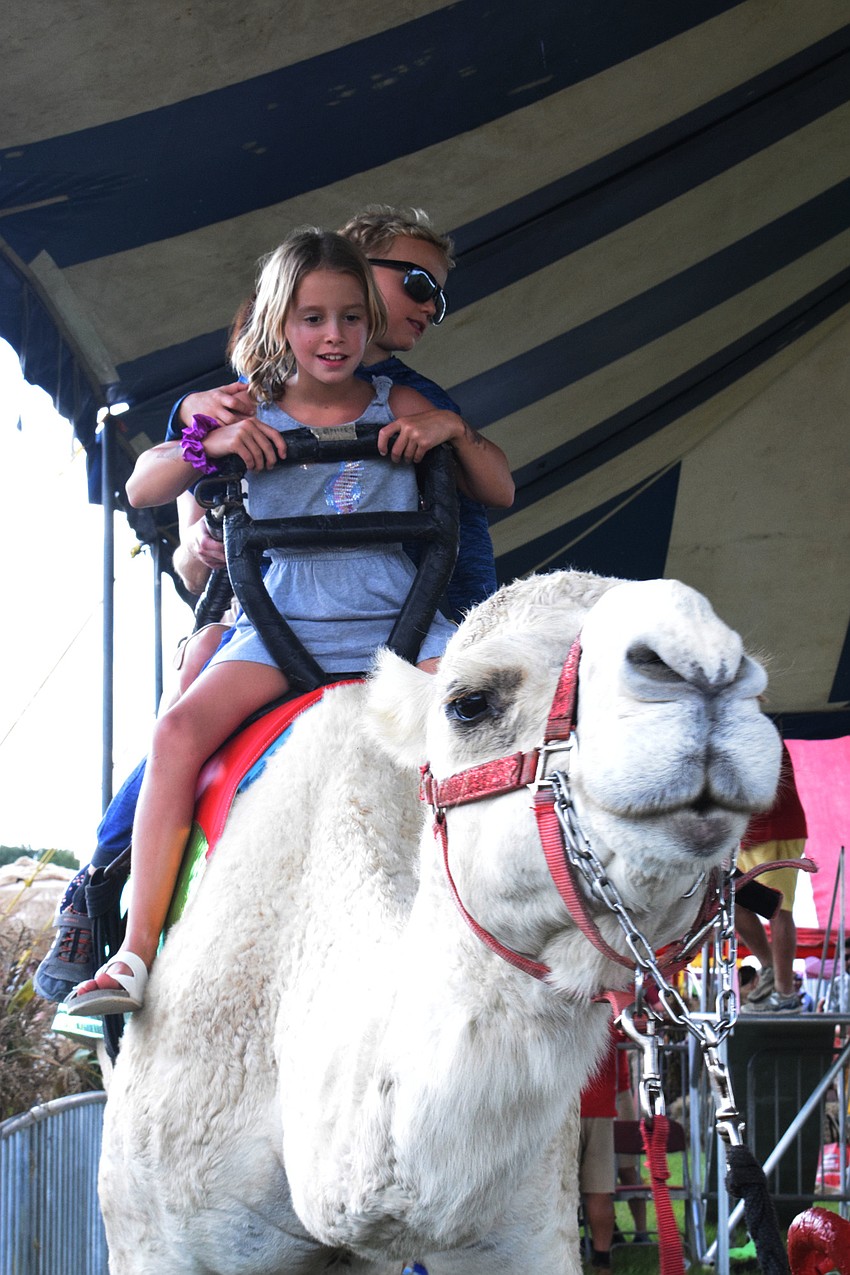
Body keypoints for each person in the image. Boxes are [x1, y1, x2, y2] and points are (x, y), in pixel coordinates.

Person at [34, 207, 514, 1003]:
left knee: (498, 716)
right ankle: (134, 946)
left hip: (395, 626)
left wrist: (451, 430)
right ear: (279, 322)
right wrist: (207, 445)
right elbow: (145, 485)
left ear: (369, 318)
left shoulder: (400, 400)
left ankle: (511, 927)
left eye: (351, 318)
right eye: (313, 318)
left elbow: (498, 488)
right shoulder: (244, 407)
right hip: (282, 624)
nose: (335, 334)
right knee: (177, 730)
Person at [737, 743, 808, 1014]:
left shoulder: (760, 732)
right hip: (744, 834)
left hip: (776, 828)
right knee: (734, 903)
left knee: (779, 909)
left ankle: (785, 992)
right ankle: (770, 969)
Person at [578, 1033, 618, 1271]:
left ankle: (598, 1260)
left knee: (561, 1192)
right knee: (599, 1191)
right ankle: (602, 1263)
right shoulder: (609, 1015)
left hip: (563, 1108)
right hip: (586, 1109)